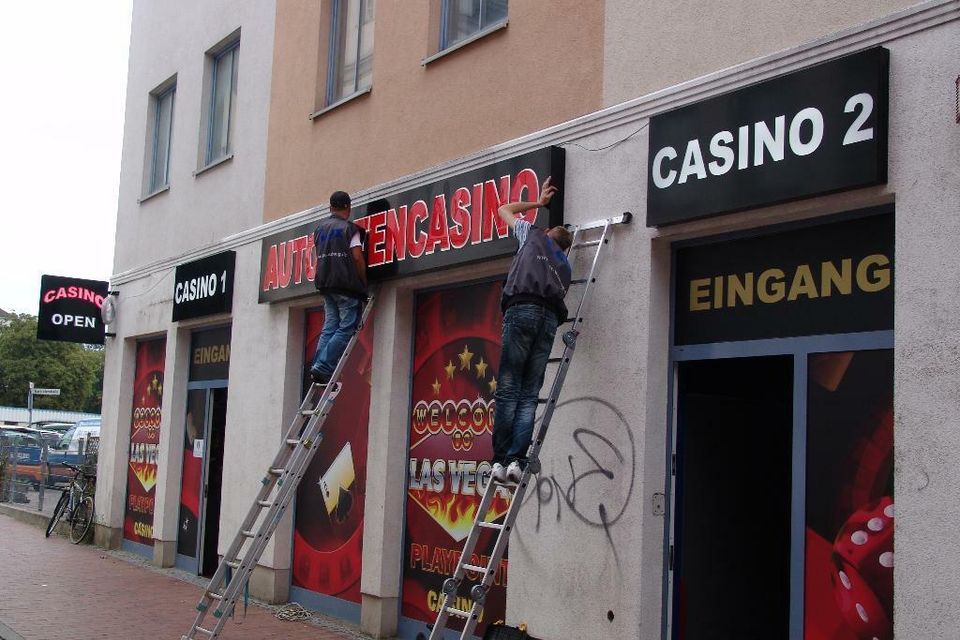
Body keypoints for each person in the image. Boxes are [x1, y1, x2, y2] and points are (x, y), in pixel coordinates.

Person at [490, 176, 572, 484]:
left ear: (549, 234)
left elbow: (503, 208)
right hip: (548, 320)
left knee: (510, 388)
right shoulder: (565, 265)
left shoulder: (533, 236)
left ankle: (499, 461)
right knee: (529, 394)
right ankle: (516, 460)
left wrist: (539, 203)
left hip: (521, 310)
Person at [309, 191, 368, 385]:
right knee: (346, 327)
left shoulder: (319, 230)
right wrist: (363, 283)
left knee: (329, 327)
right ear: (348, 208)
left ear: (330, 207)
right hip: (346, 285)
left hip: (326, 285)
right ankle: (323, 366)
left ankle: (318, 366)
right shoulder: (350, 229)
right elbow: (358, 257)